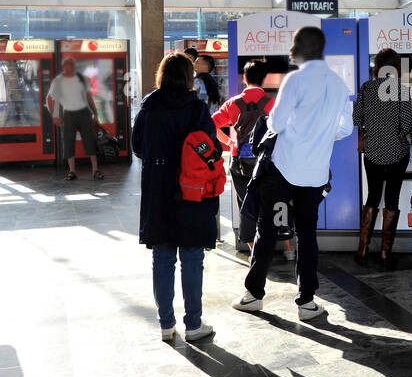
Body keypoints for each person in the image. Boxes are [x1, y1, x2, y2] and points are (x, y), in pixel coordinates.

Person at [232, 25, 352, 321]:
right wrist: (321, 136)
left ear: (301, 49)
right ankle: (307, 302)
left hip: (283, 170)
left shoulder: (295, 80)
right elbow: (346, 129)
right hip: (315, 174)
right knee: (307, 234)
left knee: (268, 229)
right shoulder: (338, 84)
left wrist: (298, 131)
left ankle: (253, 295)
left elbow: (276, 123)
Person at [131, 52, 218, 343]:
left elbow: (138, 148)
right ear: (188, 77)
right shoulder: (197, 109)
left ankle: (166, 324)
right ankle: (193, 324)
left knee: (163, 257)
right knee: (192, 257)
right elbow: (210, 150)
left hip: (158, 190)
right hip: (192, 192)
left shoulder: (149, 106)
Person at [353, 47, 412, 267]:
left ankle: (362, 250)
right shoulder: (400, 90)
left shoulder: (366, 89)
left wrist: (372, 128)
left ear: (377, 68)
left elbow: (356, 119)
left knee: (372, 196)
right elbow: (407, 124)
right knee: (392, 197)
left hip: (371, 152)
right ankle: (384, 254)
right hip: (396, 153)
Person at [212, 59, 274, 251]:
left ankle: (252, 248)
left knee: (245, 203)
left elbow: (211, 124)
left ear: (244, 78)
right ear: (264, 79)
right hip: (266, 161)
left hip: (241, 160)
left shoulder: (233, 103)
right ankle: (277, 246)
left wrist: (230, 142)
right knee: (268, 202)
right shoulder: (272, 102)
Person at [46, 55, 105, 182]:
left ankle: (95, 170)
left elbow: (89, 98)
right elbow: (50, 98)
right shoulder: (58, 81)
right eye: (68, 64)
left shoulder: (82, 79)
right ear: (64, 66)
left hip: (84, 113)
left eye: (72, 64)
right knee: (68, 142)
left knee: (90, 141)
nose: (70, 67)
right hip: (68, 114)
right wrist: (54, 115)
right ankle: (72, 171)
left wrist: (96, 114)